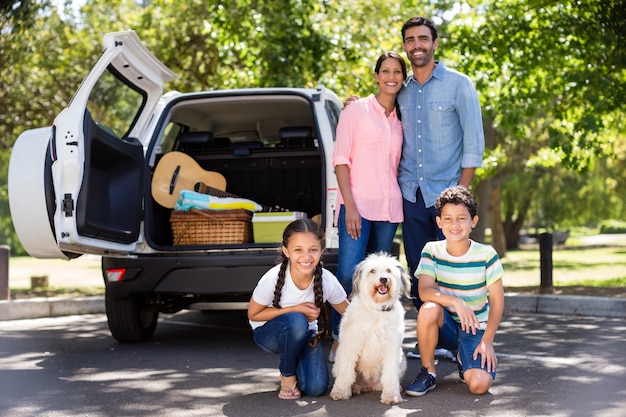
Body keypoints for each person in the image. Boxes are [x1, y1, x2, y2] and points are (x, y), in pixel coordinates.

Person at [398, 16, 485, 360]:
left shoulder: (459, 84)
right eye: (410, 40)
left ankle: (460, 341)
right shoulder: (400, 88)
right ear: (405, 46)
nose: (417, 45)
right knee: (421, 270)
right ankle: (429, 342)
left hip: (448, 198)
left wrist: (459, 197)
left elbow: (473, 143)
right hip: (411, 194)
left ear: (435, 43)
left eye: (423, 38)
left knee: (454, 272)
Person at [329, 51, 407, 362]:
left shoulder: (401, 117)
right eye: (385, 71)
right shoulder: (356, 110)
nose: (391, 76)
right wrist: (351, 206)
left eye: (397, 72)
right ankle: (340, 337)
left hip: (389, 210)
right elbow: (340, 161)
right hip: (357, 205)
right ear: (376, 76)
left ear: (403, 77)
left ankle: (376, 343)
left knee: (380, 280)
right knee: (350, 274)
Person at [405, 185, 504, 397]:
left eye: (462, 218)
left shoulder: (486, 254)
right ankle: (428, 372)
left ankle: (463, 358)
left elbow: (497, 302)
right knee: (429, 308)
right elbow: (424, 291)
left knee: (479, 386)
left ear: (473, 221)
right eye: (448, 219)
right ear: (439, 222)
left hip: (475, 328)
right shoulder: (432, 250)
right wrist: (456, 302)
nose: (454, 224)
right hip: (445, 325)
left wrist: (487, 340)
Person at [247, 218, 349, 399]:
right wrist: (295, 309)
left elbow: (350, 314)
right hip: (269, 334)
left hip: (306, 335)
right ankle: (287, 374)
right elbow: (254, 314)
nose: (307, 257)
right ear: (286, 251)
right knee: (296, 320)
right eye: (298, 250)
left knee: (316, 388)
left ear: (321, 251)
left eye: (313, 250)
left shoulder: (327, 280)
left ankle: (296, 363)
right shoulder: (272, 279)